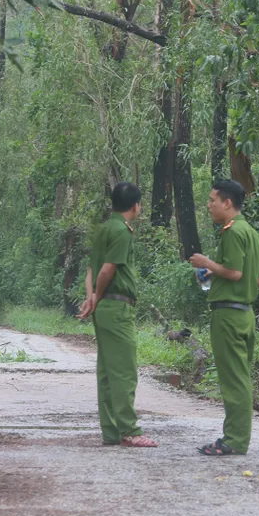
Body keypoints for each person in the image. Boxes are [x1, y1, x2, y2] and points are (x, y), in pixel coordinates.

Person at [77, 182, 158, 448]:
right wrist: (97, 297)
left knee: (108, 370)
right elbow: (106, 270)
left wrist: (91, 298)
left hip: (104, 307)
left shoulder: (103, 229)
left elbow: (91, 269)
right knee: (123, 369)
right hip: (116, 306)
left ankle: (111, 431)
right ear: (136, 206)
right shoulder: (122, 232)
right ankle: (129, 430)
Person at [189, 180, 259, 456]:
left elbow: (234, 273)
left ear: (227, 203)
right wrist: (213, 274)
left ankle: (234, 440)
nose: (209, 205)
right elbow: (257, 277)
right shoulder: (252, 234)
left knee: (234, 380)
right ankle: (235, 437)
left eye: (212, 200)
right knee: (240, 376)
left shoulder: (232, 233)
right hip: (245, 314)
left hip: (229, 315)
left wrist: (206, 263)